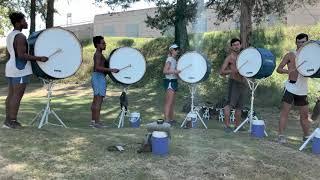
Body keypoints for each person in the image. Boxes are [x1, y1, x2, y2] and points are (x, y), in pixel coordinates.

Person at [3, 12, 48, 129]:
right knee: (17, 95)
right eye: (24, 20)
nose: (26, 22)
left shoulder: (10, 35)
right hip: (20, 69)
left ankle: (8, 120)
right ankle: (12, 121)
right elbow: (22, 55)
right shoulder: (21, 37)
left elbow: (9, 54)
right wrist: (39, 58)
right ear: (18, 23)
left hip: (11, 67)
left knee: (11, 95)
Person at [276, 33, 310, 143]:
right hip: (290, 87)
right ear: (296, 42)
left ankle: (306, 137)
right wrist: (288, 71)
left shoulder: (310, 56)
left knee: (304, 116)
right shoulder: (290, 55)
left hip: (303, 89)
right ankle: (280, 136)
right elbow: (279, 69)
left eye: (303, 42)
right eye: (299, 42)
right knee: (285, 112)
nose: (300, 44)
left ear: (307, 43)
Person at [90, 36, 119, 128]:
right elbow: (97, 68)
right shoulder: (98, 54)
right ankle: (97, 123)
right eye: (103, 43)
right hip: (98, 77)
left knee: (95, 101)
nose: (105, 44)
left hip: (97, 77)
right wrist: (111, 70)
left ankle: (94, 122)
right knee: (98, 101)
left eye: (104, 43)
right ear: (97, 45)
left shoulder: (99, 54)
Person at [219, 38, 247, 132]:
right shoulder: (230, 58)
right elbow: (222, 71)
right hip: (234, 82)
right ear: (231, 47)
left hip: (243, 83)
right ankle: (227, 126)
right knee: (229, 105)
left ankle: (237, 126)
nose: (236, 46)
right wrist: (232, 70)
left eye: (238, 44)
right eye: (234, 45)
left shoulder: (244, 56)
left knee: (239, 106)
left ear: (241, 45)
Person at [163, 44, 181, 125]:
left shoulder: (174, 60)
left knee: (172, 103)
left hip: (174, 81)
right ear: (172, 50)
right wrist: (175, 72)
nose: (177, 51)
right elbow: (165, 71)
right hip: (170, 82)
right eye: (176, 49)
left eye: (178, 49)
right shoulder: (169, 59)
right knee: (168, 102)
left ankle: (171, 119)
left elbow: (174, 72)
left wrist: (178, 75)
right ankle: (167, 120)